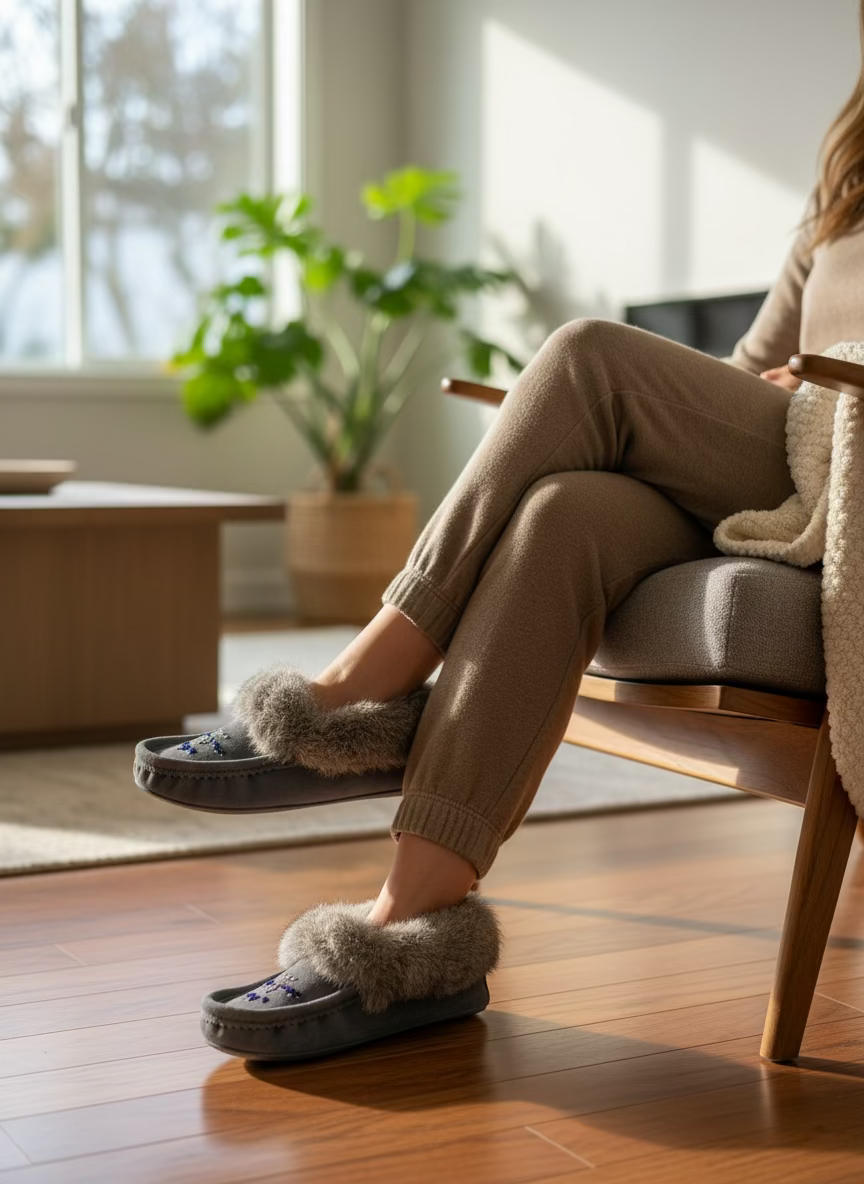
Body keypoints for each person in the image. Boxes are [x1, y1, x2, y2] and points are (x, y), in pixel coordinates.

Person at [154, 1, 864, 1059]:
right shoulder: (844, 183)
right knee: (561, 511)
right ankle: (411, 930)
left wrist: (806, 391)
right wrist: (740, 391)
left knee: (585, 354)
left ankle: (366, 683)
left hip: (844, 458)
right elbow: (740, 366)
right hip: (768, 472)